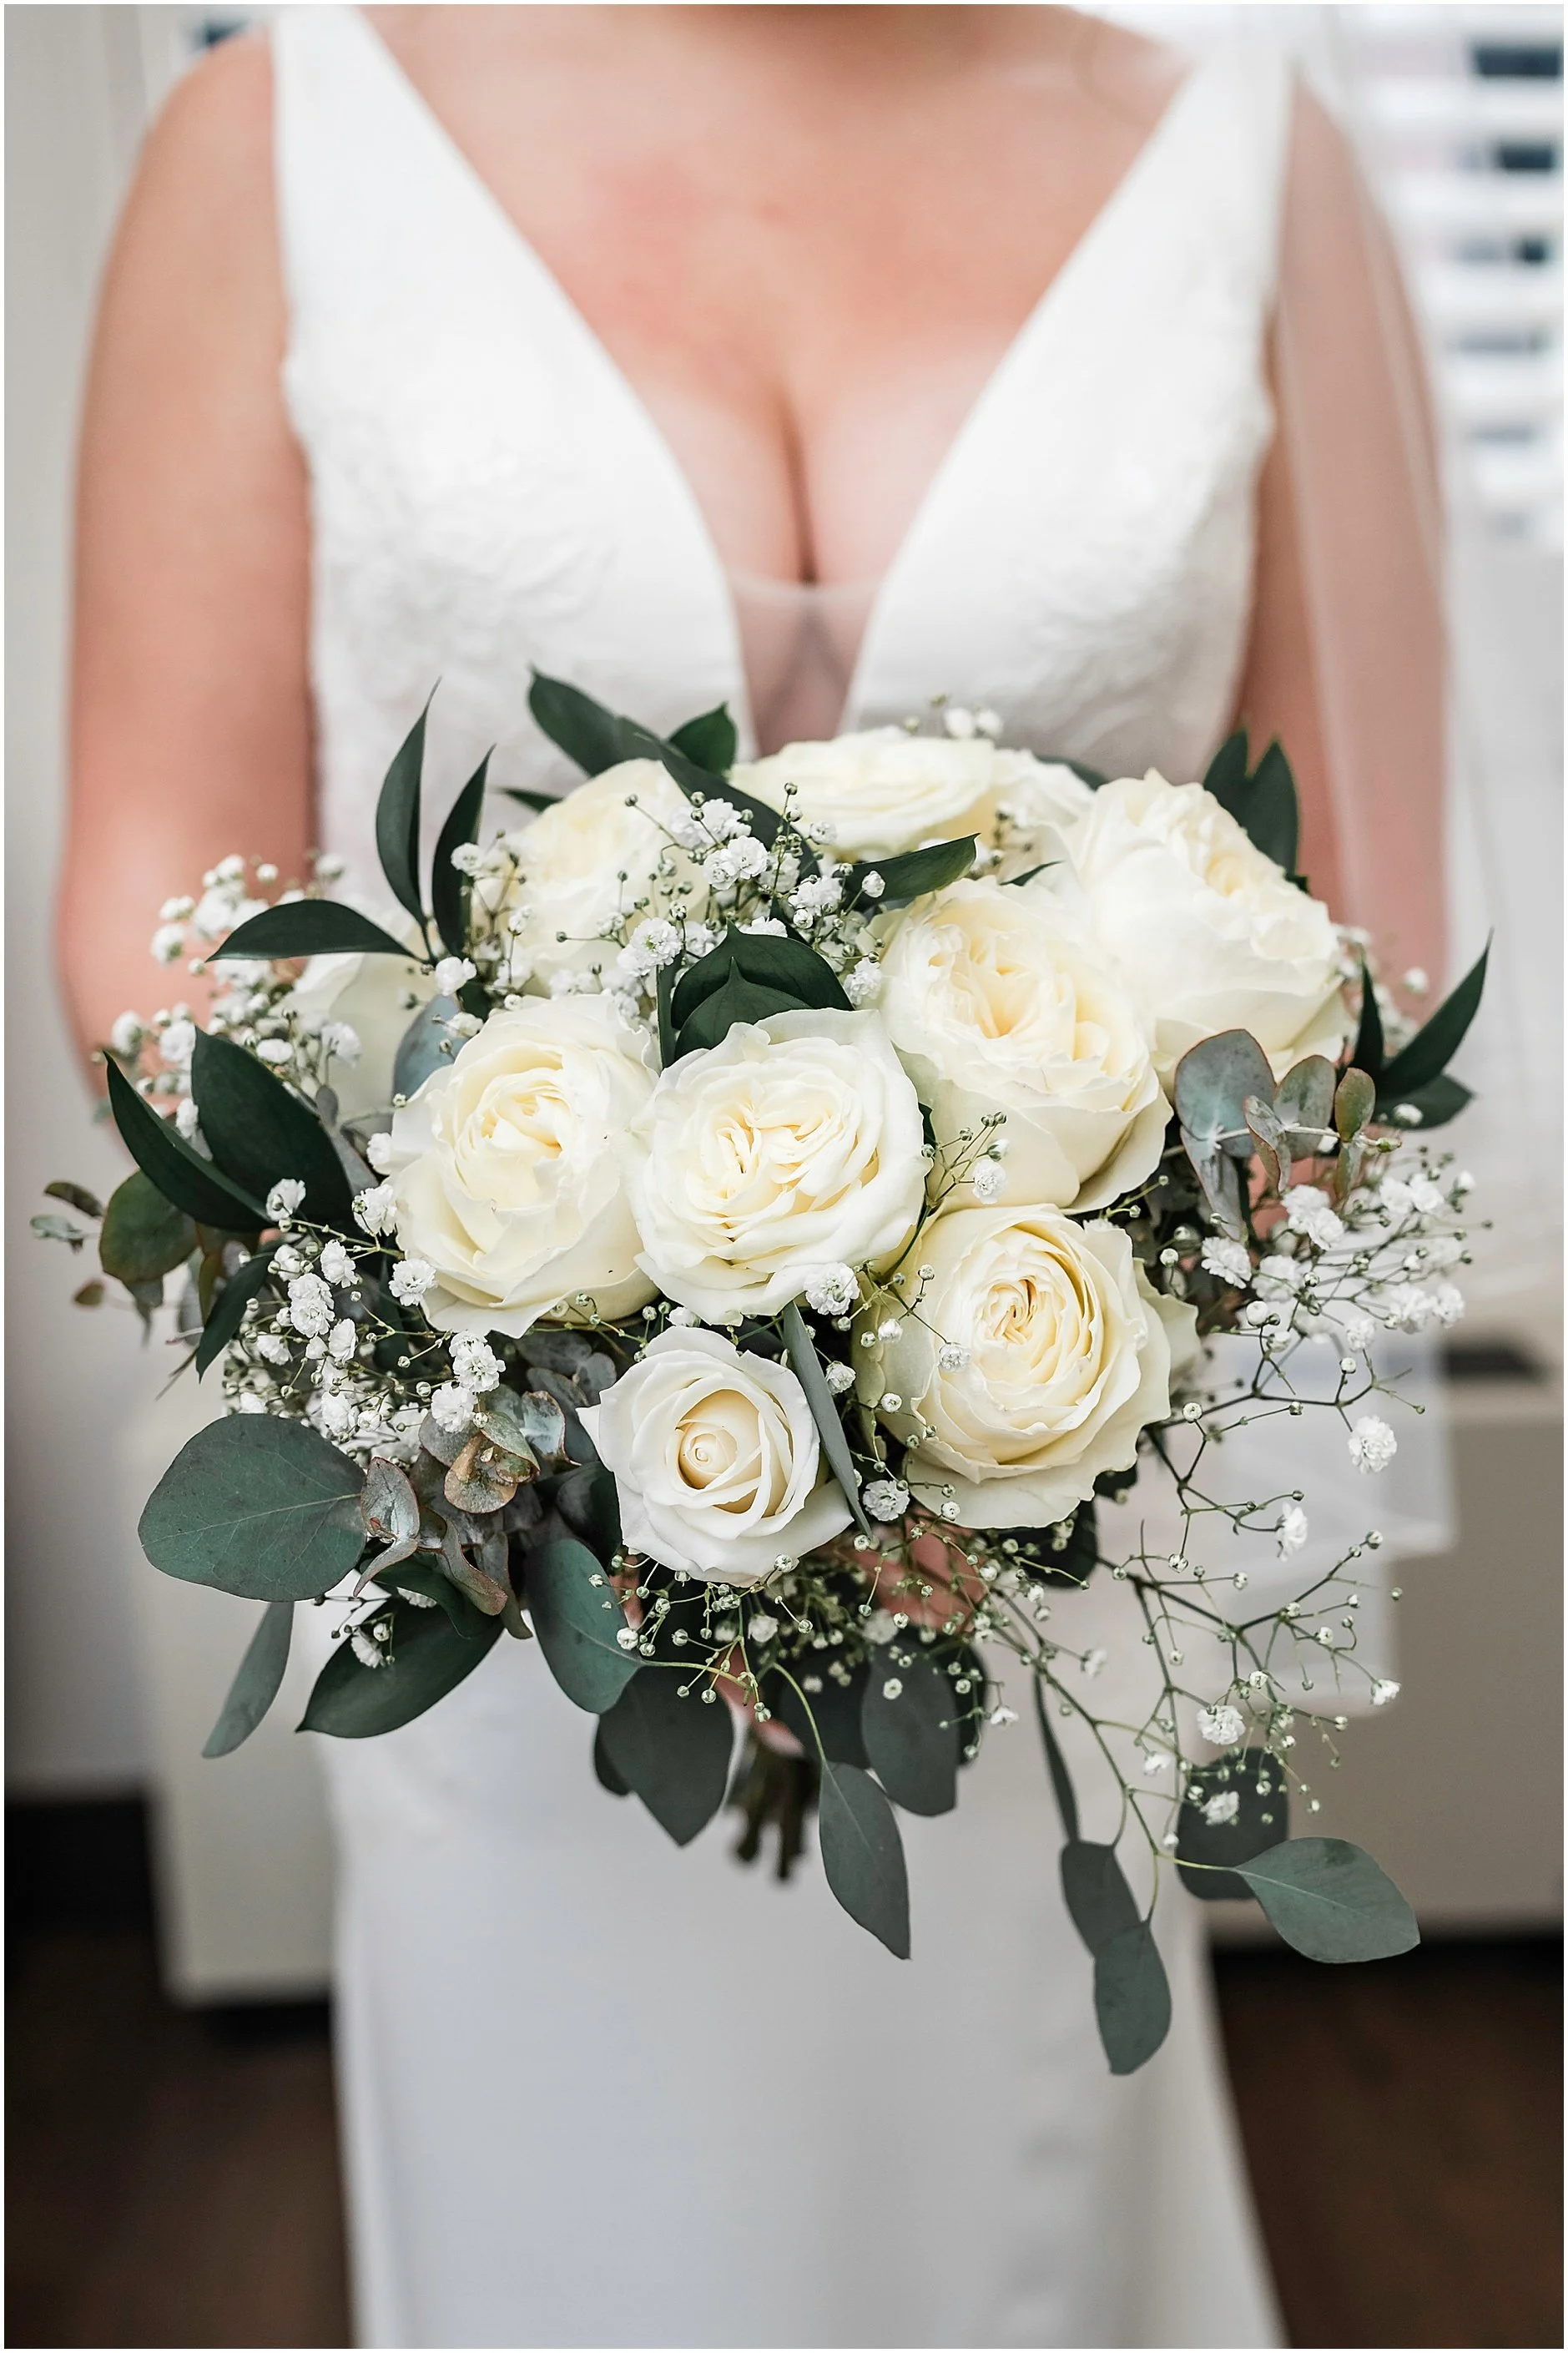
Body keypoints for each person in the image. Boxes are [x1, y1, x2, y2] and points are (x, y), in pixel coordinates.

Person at [61, 9, 1446, 2344]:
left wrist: (952, 1429)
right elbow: (154, 927)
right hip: (499, 1556)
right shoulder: (281, 134)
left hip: (1022, 1521)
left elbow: (1354, 953)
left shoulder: (1237, 159)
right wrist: (533, 1398)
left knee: (1003, 2206)